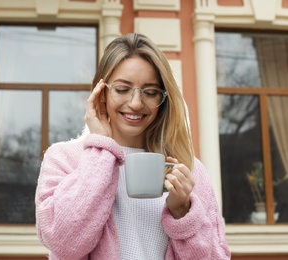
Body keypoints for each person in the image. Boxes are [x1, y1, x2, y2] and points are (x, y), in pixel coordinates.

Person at [35, 33, 231, 259]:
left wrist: (183, 212)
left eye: (150, 92)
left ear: (163, 100)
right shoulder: (64, 159)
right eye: (122, 89)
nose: (136, 103)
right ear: (101, 93)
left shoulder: (187, 170)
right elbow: (64, 242)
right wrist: (102, 148)